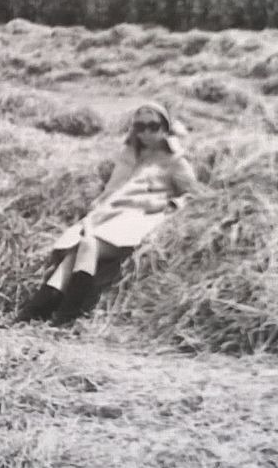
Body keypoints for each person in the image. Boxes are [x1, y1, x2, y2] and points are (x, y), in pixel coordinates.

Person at [13, 101, 200, 326]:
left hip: (140, 218)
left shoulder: (175, 160)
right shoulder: (129, 156)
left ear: (165, 128)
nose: (147, 132)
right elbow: (112, 190)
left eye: (154, 126)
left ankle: (67, 316)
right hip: (110, 216)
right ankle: (33, 313)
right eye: (140, 127)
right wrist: (94, 211)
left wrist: (171, 205)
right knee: (75, 251)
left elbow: (194, 193)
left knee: (89, 244)